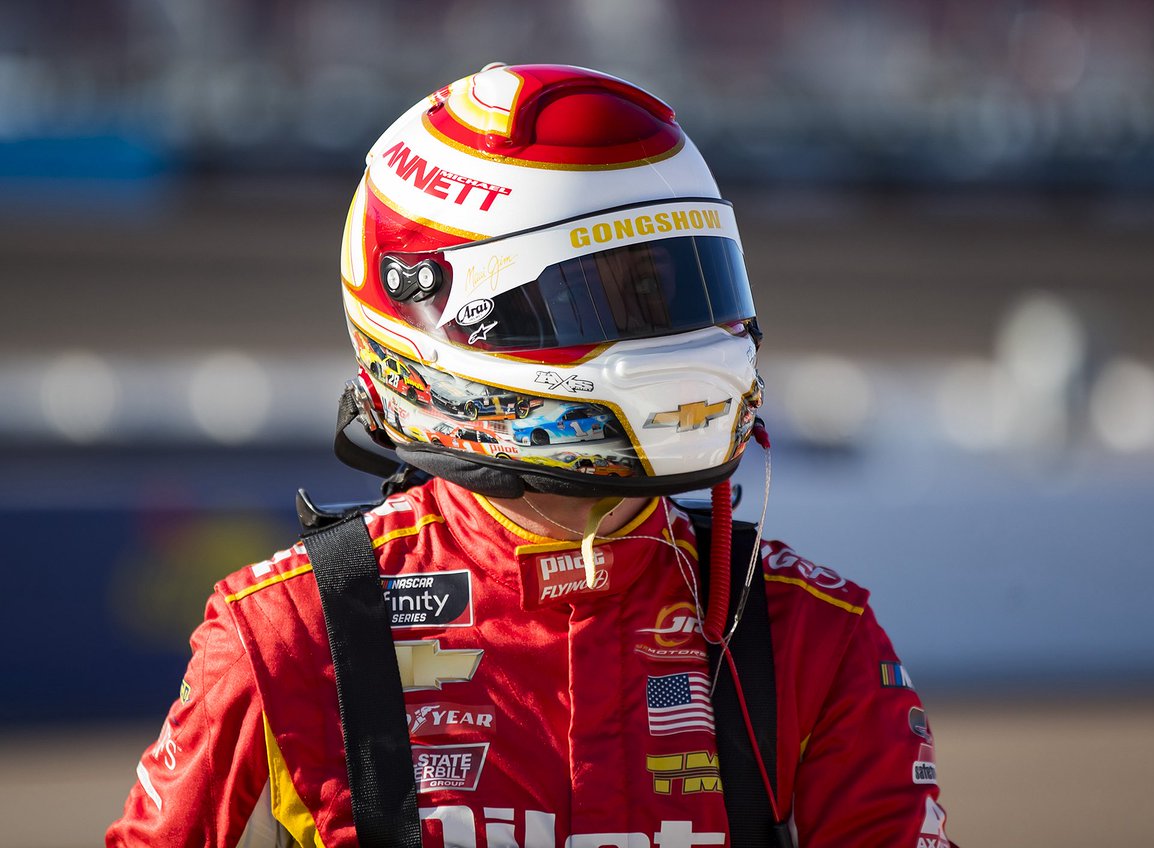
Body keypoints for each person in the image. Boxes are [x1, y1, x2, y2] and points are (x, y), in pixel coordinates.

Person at [107, 63, 955, 848]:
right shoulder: (288, 631)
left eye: (679, 285)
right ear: (435, 313)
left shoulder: (812, 634)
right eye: (600, 297)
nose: (674, 338)